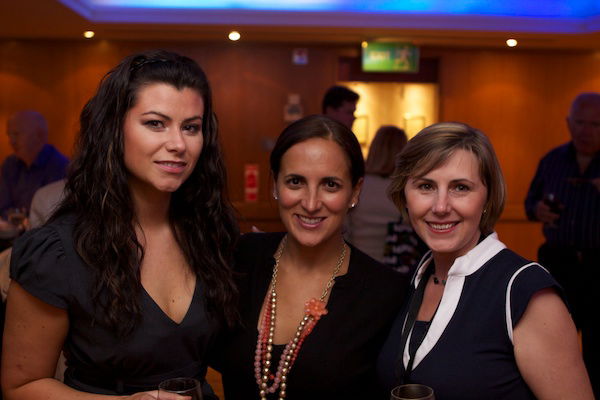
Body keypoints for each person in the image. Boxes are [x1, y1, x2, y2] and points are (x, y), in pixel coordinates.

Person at [1, 49, 239, 399]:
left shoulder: (210, 232)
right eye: (155, 123)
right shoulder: (57, 252)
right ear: (115, 129)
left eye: (191, 128)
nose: (178, 144)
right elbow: (21, 387)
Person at [377, 122, 593, 399]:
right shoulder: (415, 277)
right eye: (426, 186)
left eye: (460, 188)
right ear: (404, 195)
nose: (441, 207)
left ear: (488, 198)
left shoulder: (527, 293)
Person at [216, 115, 407, 399]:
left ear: (355, 191)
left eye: (330, 185)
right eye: (295, 182)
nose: (311, 203)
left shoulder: (387, 293)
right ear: (274, 185)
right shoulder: (239, 260)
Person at [524, 92, 600, 396]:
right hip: (559, 262)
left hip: (598, 265)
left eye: (595, 124)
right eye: (579, 123)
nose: (585, 131)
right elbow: (530, 202)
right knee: (554, 339)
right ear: (568, 123)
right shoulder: (553, 160)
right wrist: (537, 210)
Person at [346, 125, 424, 273]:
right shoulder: (404, 191)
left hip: (356, 266)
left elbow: (345, 231)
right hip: (394, 271)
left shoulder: (357, 186)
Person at [0, 110, 68, 221]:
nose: (11, 141)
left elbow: (54, 216)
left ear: (40, 136)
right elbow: (3, 207)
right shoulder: (9, 164)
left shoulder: (60, 166)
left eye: (16, 134)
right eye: (9, 135)